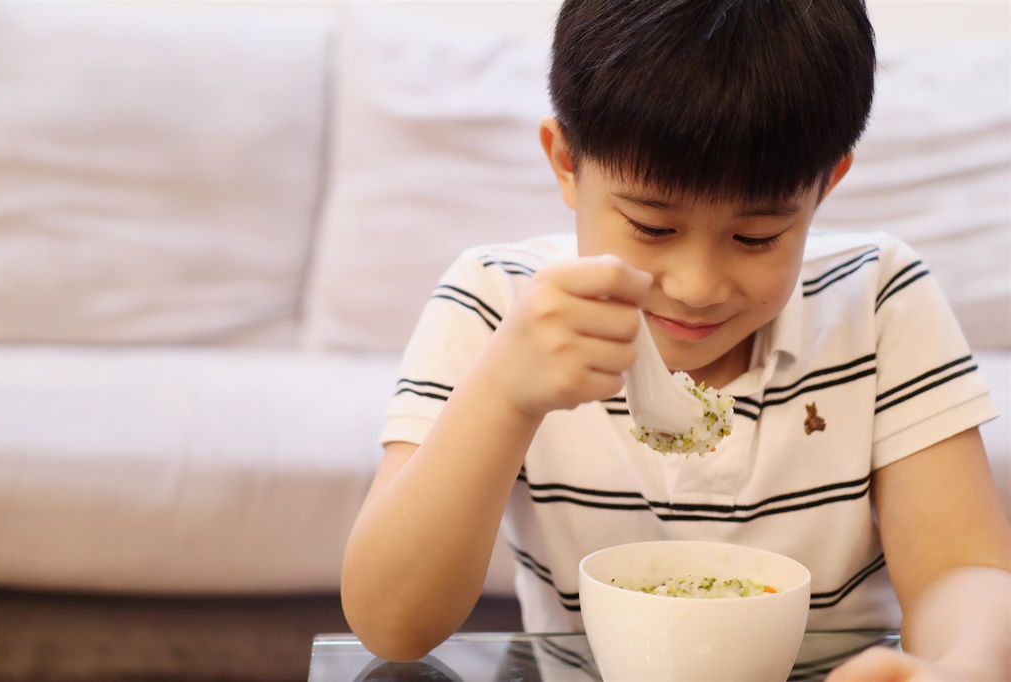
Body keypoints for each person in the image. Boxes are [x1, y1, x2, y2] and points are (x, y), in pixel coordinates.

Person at [341, 1, 1011, 679]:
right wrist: (502, 397)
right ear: (567, 162)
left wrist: (965, 664)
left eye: (756, 237)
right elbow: (393, 626)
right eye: (652, 228)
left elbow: (959, 569)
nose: (697, 286)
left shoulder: (878, 300)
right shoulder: (496, 305)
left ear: (825, 186)